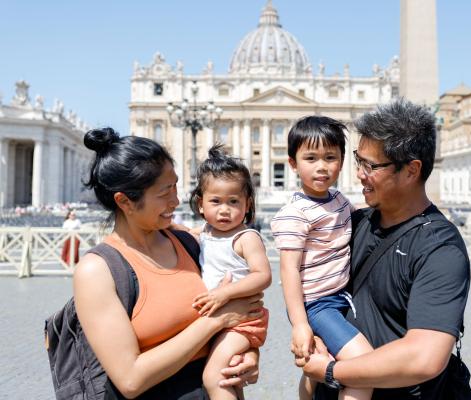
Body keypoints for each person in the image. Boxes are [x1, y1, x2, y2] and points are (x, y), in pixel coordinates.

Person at [74, 128, 263, 399]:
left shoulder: (189, 242)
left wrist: (247, 356)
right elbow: (130, 379)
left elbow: (244, 313)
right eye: (164, 193)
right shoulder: (98, 271)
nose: (176, 201)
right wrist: (216, 321)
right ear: (125, 201)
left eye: (175, 186)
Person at [301, 99, 471, 399]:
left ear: (411, 170)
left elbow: (424, 356)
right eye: (358, 160)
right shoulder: (353, 223)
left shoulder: (440, 249)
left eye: (371, 166)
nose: (359, 174)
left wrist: (330, 372)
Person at [271, 116, 373, 400]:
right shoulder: (295, 214)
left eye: (330, 157)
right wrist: (301, 324)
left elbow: (360, 219)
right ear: (293, 163)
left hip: (342, 296)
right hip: (318, 305)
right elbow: (289, 271)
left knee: (315, 368)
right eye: (311, 158)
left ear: (342, 161)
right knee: (363, 365)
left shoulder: (338, 199)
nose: (321, 166)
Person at [189, 144, 271, 400]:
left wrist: (225, 294)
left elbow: (262, 276)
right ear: (201, 205)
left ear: (247, 205)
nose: (225, 209)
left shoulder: (246, 238)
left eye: (233, 201)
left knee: (214, 377)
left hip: (243, 321)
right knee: (231, 376)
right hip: (225, 320)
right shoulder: (204, 234)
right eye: (216, 201)